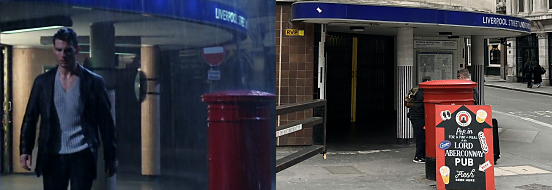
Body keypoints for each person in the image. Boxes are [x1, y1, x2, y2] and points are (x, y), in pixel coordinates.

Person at [19, 28, 117, 190]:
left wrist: (111, 157)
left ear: (77, 50)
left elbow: (106, 122)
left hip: (82, 152)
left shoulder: (93, 82)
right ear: (54, 50)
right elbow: (30, 116)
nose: (63, 55)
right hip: (53, 153)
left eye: (67, 50)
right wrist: (25, 149)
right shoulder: (43, 82)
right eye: (59, 50)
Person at [408, 76, 431, 163]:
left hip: (415, 116)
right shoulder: (423, 93)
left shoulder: (416, 91)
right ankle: (418, 156)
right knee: (421, 136)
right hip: (419, 117)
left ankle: (421, 155)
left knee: (420, 136)